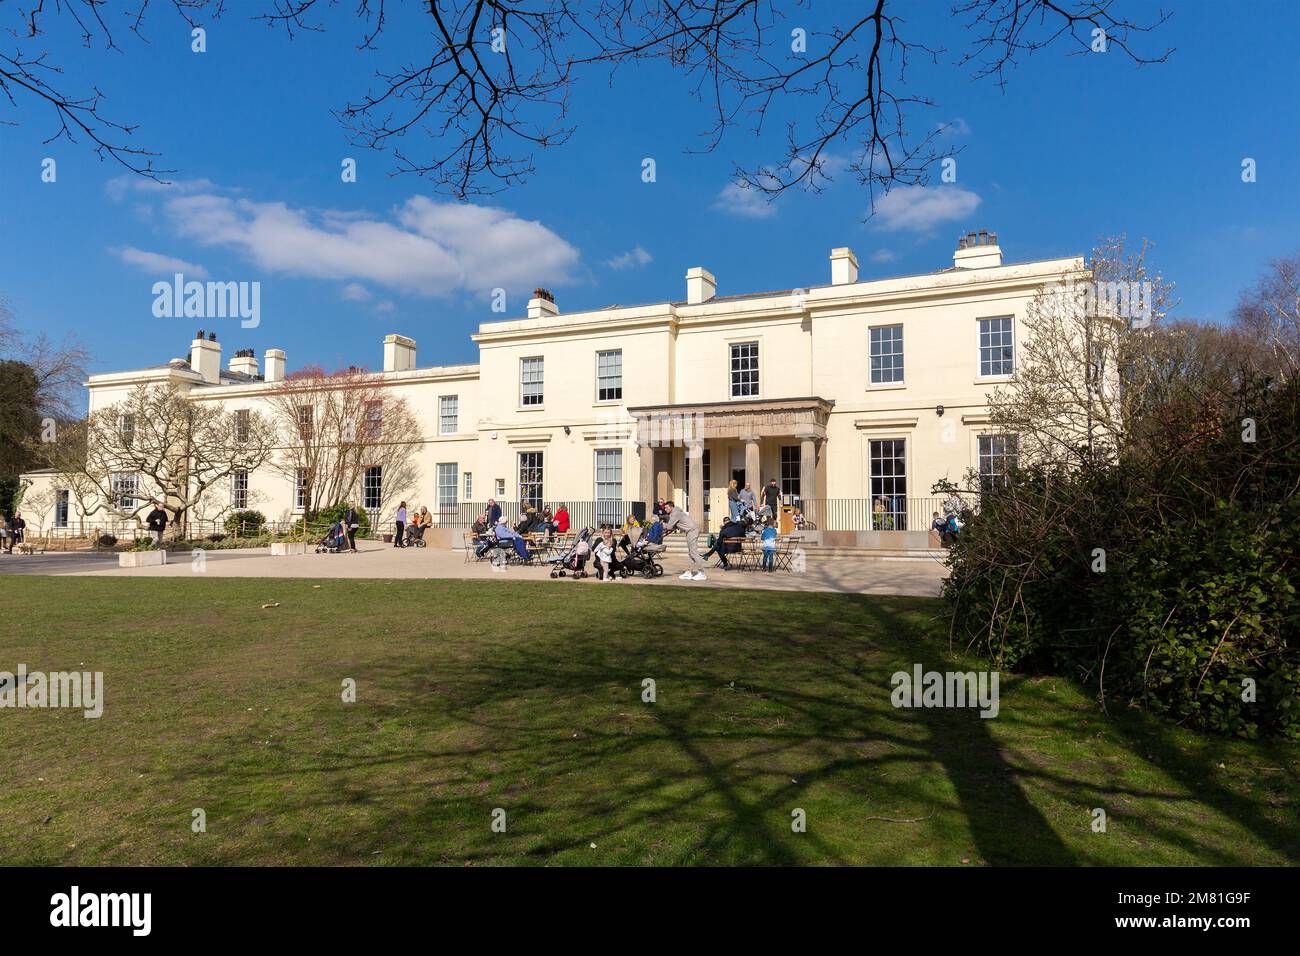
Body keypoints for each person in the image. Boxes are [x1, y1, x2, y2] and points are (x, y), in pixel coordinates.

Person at [660, 501, 705, 581]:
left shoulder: (675, 514)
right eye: (665, 508)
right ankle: (689, 572)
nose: (665, 509)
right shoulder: (676, 513)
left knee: (694, 552)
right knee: (691, 553)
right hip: (690, 531)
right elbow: (674, 527)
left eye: (666, 507)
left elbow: (670, 527)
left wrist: (663, 525)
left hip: (692, 531)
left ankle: (701, 572)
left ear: (671, 507)